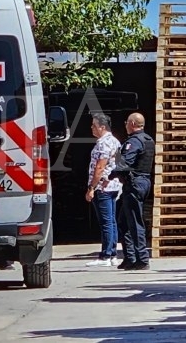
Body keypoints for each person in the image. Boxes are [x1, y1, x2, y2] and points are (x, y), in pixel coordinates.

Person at [110, 113, 155, 271]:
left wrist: (112, 173)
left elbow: (125, 163)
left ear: (133, 123)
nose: (125, 125)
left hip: (135, 184)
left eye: (127, 122)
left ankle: (142, 259)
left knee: (135, 223)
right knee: (123, 222)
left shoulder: (134, 142)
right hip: (142, 182)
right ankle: (130, 258)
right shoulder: (148, 140)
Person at [84, 113, 122, 267]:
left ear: (102, 127)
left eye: (94, 125)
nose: (91, 128)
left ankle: (106, 255)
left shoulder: (103, 143)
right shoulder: (116, 141)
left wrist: (91, 187)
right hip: (113, 185)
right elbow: (118, 163)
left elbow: (99, 167)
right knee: (111, 220)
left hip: (102, 186)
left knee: (106, 222)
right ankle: (112, 254)